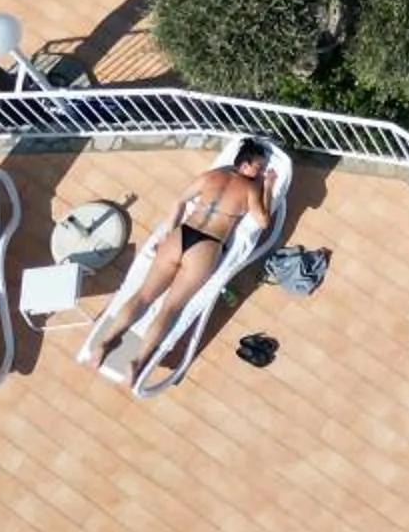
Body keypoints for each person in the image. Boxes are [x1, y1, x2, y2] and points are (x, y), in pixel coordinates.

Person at [80, 143, 274, 383]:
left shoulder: (211, 176)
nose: (263, 170)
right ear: (244, 164)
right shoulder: (250, 188)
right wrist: (268, 186)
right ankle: (137, 361)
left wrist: (167, 234)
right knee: (169, 309)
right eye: (260, 166)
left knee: (142, 296)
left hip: (182, 234)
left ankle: (105, 343)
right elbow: (263, 221)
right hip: (207, 245)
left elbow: (179, 201)